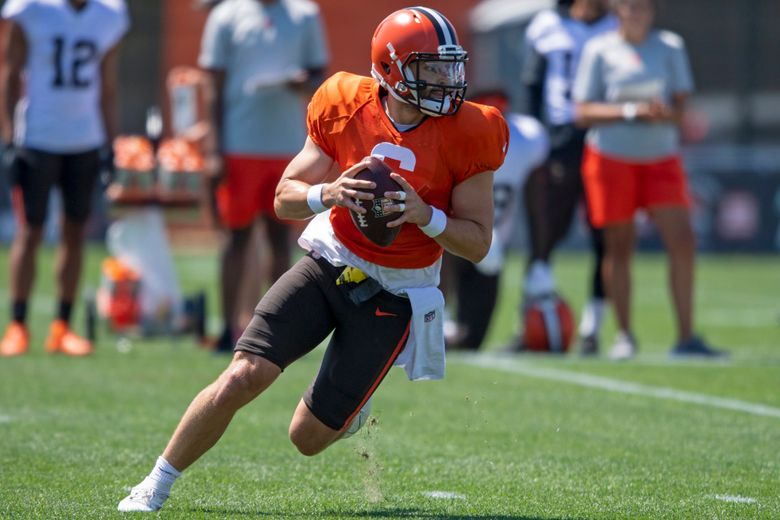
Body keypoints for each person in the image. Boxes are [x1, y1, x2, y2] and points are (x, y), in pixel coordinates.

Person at [117, 6, 507, 512]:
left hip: (397, 290)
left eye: (450, 66)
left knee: (306, 437)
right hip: (331, 261)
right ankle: (156, 482)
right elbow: (285, 196)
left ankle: (349, 407)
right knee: (242, 374)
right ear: (391, 70)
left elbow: (477, 242)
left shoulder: (472, 130)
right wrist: (330, 192)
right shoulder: (344, 102)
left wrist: (423, 215)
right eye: (431, 68)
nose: (447, 81)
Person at [573, 0, 724, 360]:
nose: (635, 12)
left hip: (661, 159)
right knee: (619, 248)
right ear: (617, 11)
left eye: (642, 6)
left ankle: (686, 338)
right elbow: (581, 111)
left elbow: (680, 111)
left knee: (683, 241)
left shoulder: (670, 46)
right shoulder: (600, 49)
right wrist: (630, 110)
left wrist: (661, 114)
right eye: (628, 6)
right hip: (611, 158)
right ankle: (624, 336)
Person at [197, 0, 329, 352]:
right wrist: (213, 147)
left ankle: (277, 329)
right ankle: (227, 329)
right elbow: (213, 87)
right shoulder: (226, 15)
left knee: (279, 241)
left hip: (288, 147)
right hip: (240, 143)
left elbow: (320, 79)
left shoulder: (305, 14)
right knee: (236, 239)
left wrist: (302, 84)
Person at [0, 0, 129, 357]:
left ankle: (61, 326)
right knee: (31, 230)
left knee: (75, 230)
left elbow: (108, 85)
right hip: (37, 138)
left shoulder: (109, 14)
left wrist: (109, 144)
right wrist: (10, 138)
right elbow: (10, 73)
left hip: (85, 139)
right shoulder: (31, 9)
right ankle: (18, 324)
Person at [518, 0, 617, 355]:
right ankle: (527, 323)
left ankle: (594, 328)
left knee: (605, 237)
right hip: (558, 143)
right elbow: (532, 88)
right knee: (544, 236)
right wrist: (536, 142)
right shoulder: (546, 24)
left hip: (606, 142)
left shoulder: (616, 24)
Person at [443, 91, 549, 351]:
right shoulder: (453, 137)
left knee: (470, 343)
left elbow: (537, 204)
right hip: (448, 239)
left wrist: (539, 259)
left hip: (491, 243)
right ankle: (436, 319)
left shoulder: (526, 140)